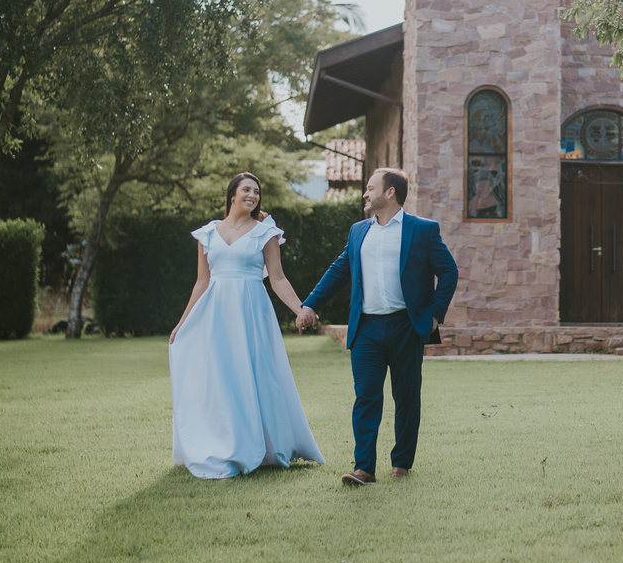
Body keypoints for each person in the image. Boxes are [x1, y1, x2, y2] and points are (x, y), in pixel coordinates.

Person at [301, 167, 457, 485]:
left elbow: (449, 270)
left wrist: (435, 314)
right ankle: (364, 468)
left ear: (390, 193)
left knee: (407, 396)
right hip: (367, 328)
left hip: (406, 325)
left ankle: (401, 462)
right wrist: (310, 304)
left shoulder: (423, 230)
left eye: (371, 188)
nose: (365, 194)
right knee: (367, 396)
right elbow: (339, 269)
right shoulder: (358, 231)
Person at [168, 172, 324, 479]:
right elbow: (202, 282)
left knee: (255, 374)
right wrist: (182, 322)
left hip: (252, 311)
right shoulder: (208, 233)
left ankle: (264, 445)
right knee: (222, 377)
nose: (252, 195)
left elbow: (277, 278)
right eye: (246, 190)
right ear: (232, 195)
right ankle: (224, 443)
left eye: (257, 191)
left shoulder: (265, 232)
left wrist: (301, 308)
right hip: (215, 313)